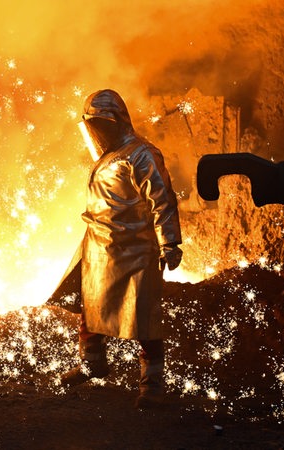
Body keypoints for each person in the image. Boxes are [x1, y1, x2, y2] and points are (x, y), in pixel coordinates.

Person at [50, 89, 183, 408]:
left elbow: (162, 199)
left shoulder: (142, 154)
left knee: (143, 318)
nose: (97, 132)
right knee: (91, 310)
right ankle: (91, 365)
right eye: (93, 125)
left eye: (101, 124)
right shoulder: (106, 159)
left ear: (117, 122)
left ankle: (151, 385)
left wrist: (170, 242)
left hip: (134, 248)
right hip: (99, 248)